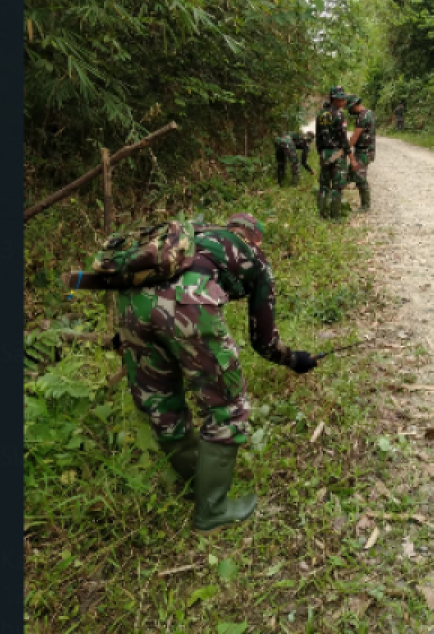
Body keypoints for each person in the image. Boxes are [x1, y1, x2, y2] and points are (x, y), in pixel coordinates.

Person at [113, 213, 319, 534]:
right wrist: (294, 359)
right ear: (256, 238)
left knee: (161, 405)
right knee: (227, 407)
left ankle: (199, 480)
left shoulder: (191, 235)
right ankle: (213, 509)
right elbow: (263, 342)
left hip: (127, 304)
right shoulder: (256, 259)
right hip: (187, 303)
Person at [315, 88, 358, 219]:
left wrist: (320, 154)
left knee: (323, 186)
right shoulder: (339, 115)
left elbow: (318, 138)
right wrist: (352, 158)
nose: (344, 101)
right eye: (342, 99)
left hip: (325, 153)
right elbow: (343, 139)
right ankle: (335, 217)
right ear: (335, 99)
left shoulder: (321, 114)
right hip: (337, 154)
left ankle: (322, 215)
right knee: (337, 188)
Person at [346, 95, 376, 212]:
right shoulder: (370, 113)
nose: (350, 111)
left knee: (360, 178)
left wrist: (345, 149)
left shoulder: (362, 117)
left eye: (350, 108)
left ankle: (365, 205)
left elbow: (354, 138)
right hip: (368, 150)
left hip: (364, 151)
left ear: (354, 105)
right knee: (352, 172)